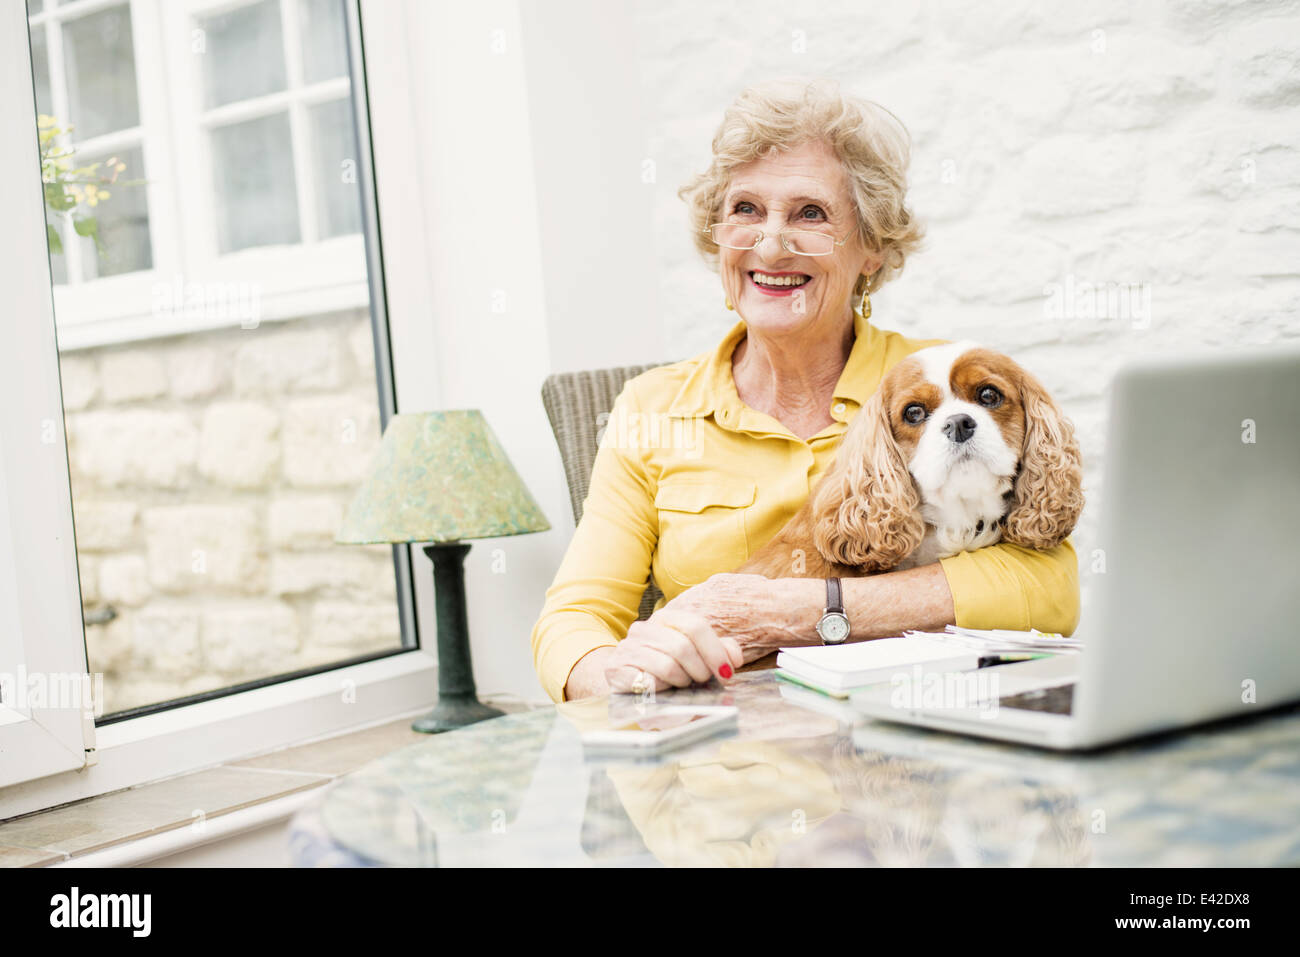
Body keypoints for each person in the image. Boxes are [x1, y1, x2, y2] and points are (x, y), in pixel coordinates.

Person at [531, 78, 1079, 702]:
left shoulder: (939, 386)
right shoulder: (652, 407)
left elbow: (1051, 591)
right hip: (730, 761)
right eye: (745, 210)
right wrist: (625, 671)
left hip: (920, 737)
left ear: (872, 247)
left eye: (810, 213)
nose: (770, 243)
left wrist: (811, 611)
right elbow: (573, 620)